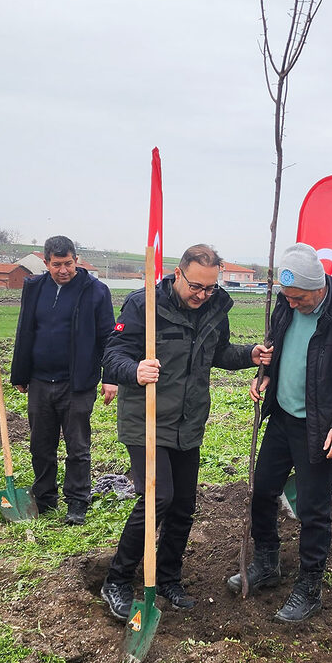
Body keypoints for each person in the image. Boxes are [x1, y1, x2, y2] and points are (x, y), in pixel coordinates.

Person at [99, 244, 272, 619]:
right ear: (178, 274)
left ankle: (168, 578)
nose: (202, 294)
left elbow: (219, 353)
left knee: (183, 506)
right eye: (196, 286)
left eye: (210, 288)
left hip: (188, 422)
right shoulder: (142, 304)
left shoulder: (214, 307)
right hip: (146, 419)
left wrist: (249, 356)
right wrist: (134, 371)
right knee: (158, 497)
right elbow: (113, 355)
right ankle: (116, 579)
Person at [226, 243, 332, 623]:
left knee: (314, 510)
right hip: (282, 418)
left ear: (320, 286)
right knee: (261, 491)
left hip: (320, 428)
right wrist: (266, 375)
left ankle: (309, 586)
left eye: (300, 298)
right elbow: (278, 348)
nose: (293, 305)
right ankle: (267, 562)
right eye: (287, 297)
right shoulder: (285, 305)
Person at [10, 235, 117, 525]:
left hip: (77, 382)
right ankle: (44, 498)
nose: (63, 270)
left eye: (68, 263)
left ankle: (77, 502)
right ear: (46, 263)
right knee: (40, 445)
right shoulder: (34, 288)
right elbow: (25, 330)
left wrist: (111, 377)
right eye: (57, 265)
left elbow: (109, 337)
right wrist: (19, 372)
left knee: (77, 446)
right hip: (40, 381)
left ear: (76, 260)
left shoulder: (96, 291)